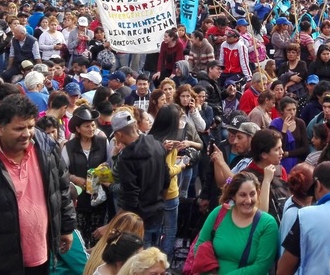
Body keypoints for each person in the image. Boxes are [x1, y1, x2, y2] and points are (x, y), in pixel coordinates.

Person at [0, 94, 76, 274]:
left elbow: (61, 188)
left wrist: (66, 227)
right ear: (0, 128)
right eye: (19, 128)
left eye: (31, 127)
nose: (27, 134)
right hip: (1, 265)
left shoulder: (47, 148)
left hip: (42, 256)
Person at [193, 171, 279, 273]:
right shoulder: (219, 213)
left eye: (252, 194)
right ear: (233, 196)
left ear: (258, 193)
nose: (248, 200)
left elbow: (261, 266)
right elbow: (200, 245)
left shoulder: (268, 224)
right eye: (242, 195)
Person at [112, 110, 170, 247]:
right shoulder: (157, 145)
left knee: (142, 262)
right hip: (158, 212)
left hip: (139, 220)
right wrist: (159, 202)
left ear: (119, 134)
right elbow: (167, 180)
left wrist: (113, 224)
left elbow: (130, 197)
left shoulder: (126, 158)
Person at [146, 104, 190, 260]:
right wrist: (181, 165)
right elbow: (167, 171)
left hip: (153, 194)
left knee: (154, 231)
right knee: (170, 231)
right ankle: (164, 263)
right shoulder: (168, 143)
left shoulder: (150, 139)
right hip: (169, 193)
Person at [63, 107, 111, 247]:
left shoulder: (102, 142)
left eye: (93, 125)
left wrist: (101, 172)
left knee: (97, 235)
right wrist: (74, 178)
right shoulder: (69, 147)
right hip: (79, 198)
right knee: (82, 235)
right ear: (78, 129)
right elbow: (61, 171)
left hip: (99, 197)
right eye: (87, 126)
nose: (91, 128)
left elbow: (108, 163)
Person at [270, 96, 309, 173]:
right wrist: (284, 131)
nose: (292, 112)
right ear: (282, 111)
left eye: (294, 109)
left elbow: (305, 147)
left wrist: (289, 154)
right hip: (281, 161)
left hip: (298, 160)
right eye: (289, 110)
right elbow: (279, 148)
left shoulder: (300, 123)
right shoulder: (275, 124)